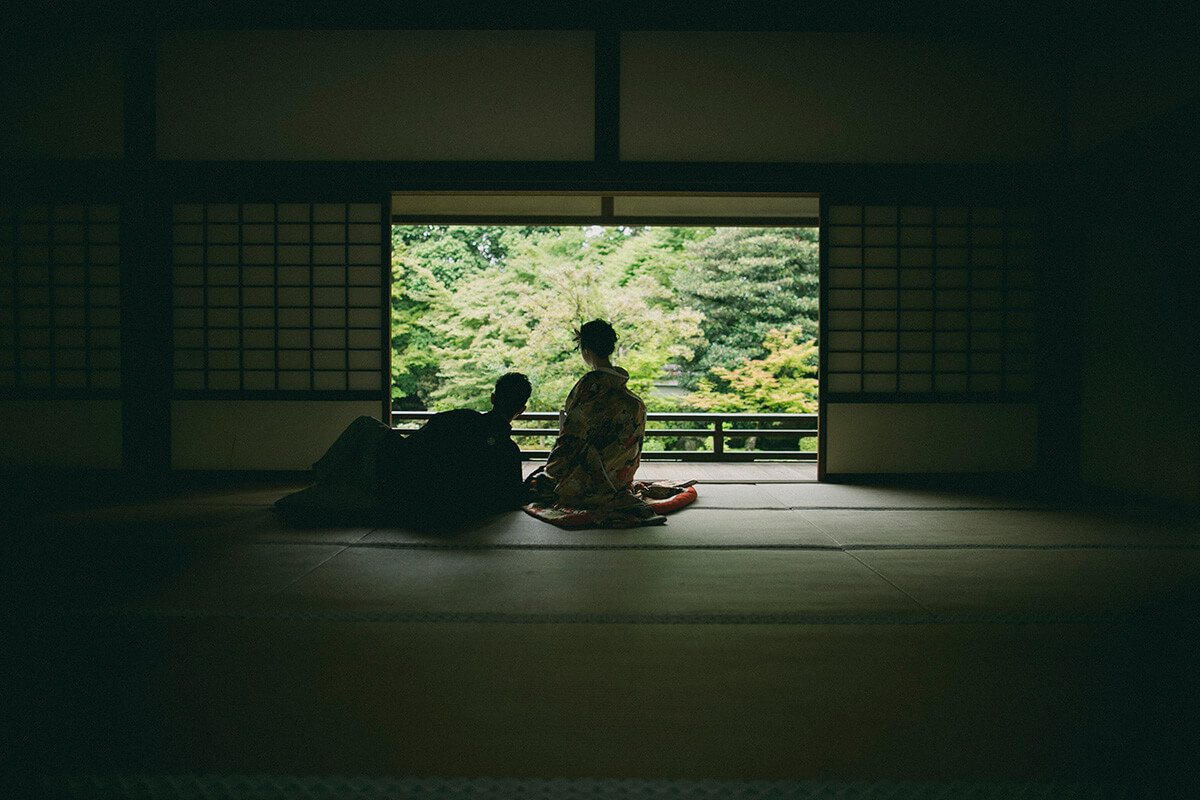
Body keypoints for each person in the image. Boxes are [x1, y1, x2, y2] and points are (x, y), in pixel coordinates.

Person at [275, 372, 532, 527]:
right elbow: (507, 500)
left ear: (493, 398)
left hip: (397, 480)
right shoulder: (509, 452)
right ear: (521, 411)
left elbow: (416, 443)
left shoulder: (459, 417)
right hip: (431, 505)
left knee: (366, 425)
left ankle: (322, 479)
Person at [524, 319, 664, 527]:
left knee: (535, 485)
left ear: (586, 349)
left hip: (589, 485)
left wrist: (550, 471)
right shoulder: (634, 401)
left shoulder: (590, 390)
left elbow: (570, 437)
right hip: (620, 482)